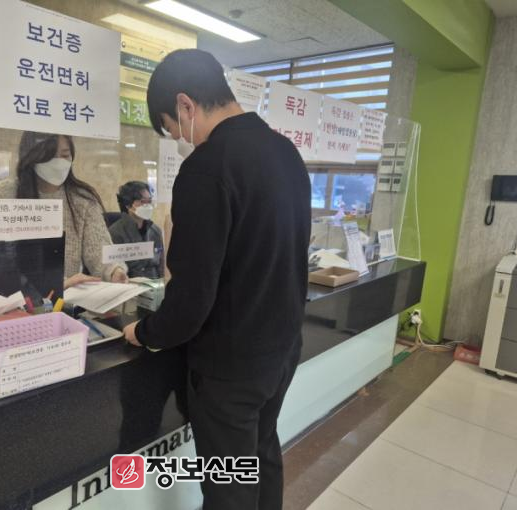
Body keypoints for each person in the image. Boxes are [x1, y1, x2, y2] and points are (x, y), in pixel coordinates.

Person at [122, 49, 311, 510]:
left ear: (185, 104)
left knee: (229, 489)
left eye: (171, 127)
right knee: (261, 458)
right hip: (282, 348)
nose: (178, 139)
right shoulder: (285, 152)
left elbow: (191, 297)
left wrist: (145, 332)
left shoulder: (205, 169)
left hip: (231, 365)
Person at [0, 132, 127, 288]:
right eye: (49, 156)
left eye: (65, 155)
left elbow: (99, 249)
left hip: (70, 295)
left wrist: (114, 271)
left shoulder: (82, 198)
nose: (58, 163)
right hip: (20, 295)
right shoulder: (7, 192)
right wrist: (54, 285)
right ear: (32, 157)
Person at [109, 181, 165, 279]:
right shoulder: (115, 233)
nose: (147, 205)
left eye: (149, 201)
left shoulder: (155, 231)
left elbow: (161, 266)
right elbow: (114, 269)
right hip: (129, 284)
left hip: (155, 283)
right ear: (128, 205)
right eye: (143, 202)